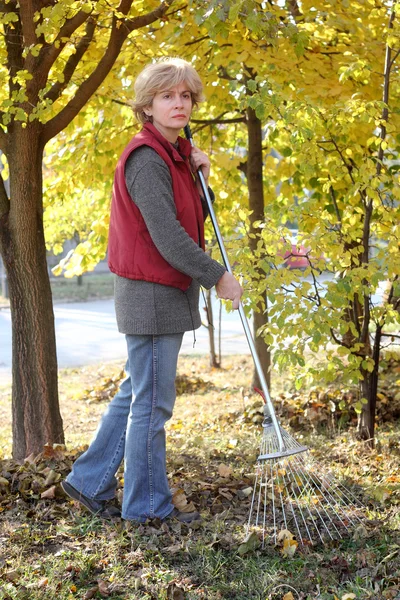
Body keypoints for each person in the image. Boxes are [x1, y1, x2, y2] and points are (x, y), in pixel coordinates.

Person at [61, 58, 243, 523]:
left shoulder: (176, 155)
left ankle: (87, 481)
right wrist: (216, 274)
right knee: (152, 403)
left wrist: (203, 175)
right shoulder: (146, 158)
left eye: (185, 96)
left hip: (161, 291)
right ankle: (145, 509)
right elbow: (168, 236)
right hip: (151, 293)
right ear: (148, 105)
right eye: (168, 96)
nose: (179, 103)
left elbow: (193, 217)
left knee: (135, 394)